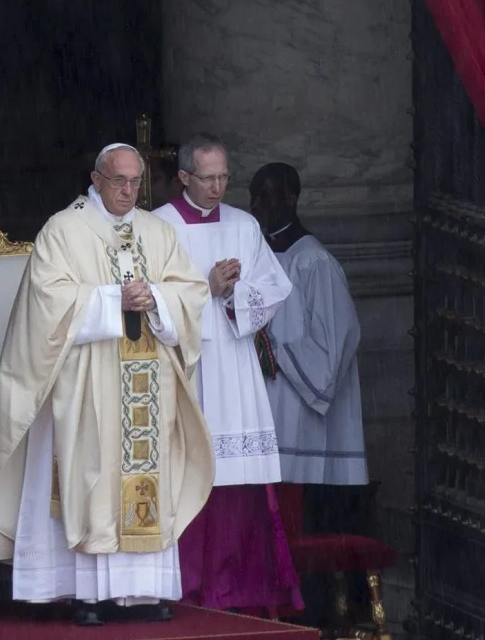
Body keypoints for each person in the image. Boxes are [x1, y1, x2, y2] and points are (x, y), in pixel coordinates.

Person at [0, 143, 214, 626]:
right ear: (96, 178)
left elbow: (191, 291)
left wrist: (158, 298)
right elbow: (46, 304)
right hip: (87, 383)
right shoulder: (64, 230)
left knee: (142, 483)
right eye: (118, 181)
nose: (128, 191)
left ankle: (144, 591)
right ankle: (83, 591)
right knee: (94, 477)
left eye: (135, 182)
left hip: (148, 382)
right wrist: (113, 301)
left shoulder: (157, 231)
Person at [152, 135, 302, 612]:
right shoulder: (159, 227)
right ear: (183, 178)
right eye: (207, 178)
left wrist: (236, 298)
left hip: (235, 369)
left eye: (223, 177)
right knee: (189, 474)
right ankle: (187, 586)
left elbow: (276, 286)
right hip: (187, 368)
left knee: (238, 484)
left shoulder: (244, 224)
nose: (218, 187)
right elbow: (148, 304)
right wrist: (206, 287)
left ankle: (240, 589)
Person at [249, 163, 367, 487]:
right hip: (269, 399)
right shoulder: (257, 259)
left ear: (291, 197)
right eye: (253, 198)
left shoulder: (314, 262)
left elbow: (334, 345)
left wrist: (273, 351)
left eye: (265, 196)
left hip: (302, 404)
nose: (256, 206)